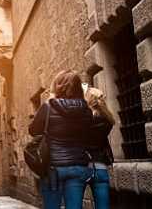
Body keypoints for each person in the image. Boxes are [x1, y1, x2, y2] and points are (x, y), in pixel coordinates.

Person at [28, 70, 113, 209]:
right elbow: (87, 135)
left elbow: (33, 131)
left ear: (57, 86)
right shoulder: (85, 109)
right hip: (77, 167)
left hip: (53, 168)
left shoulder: (48, 107)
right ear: (78, 87)